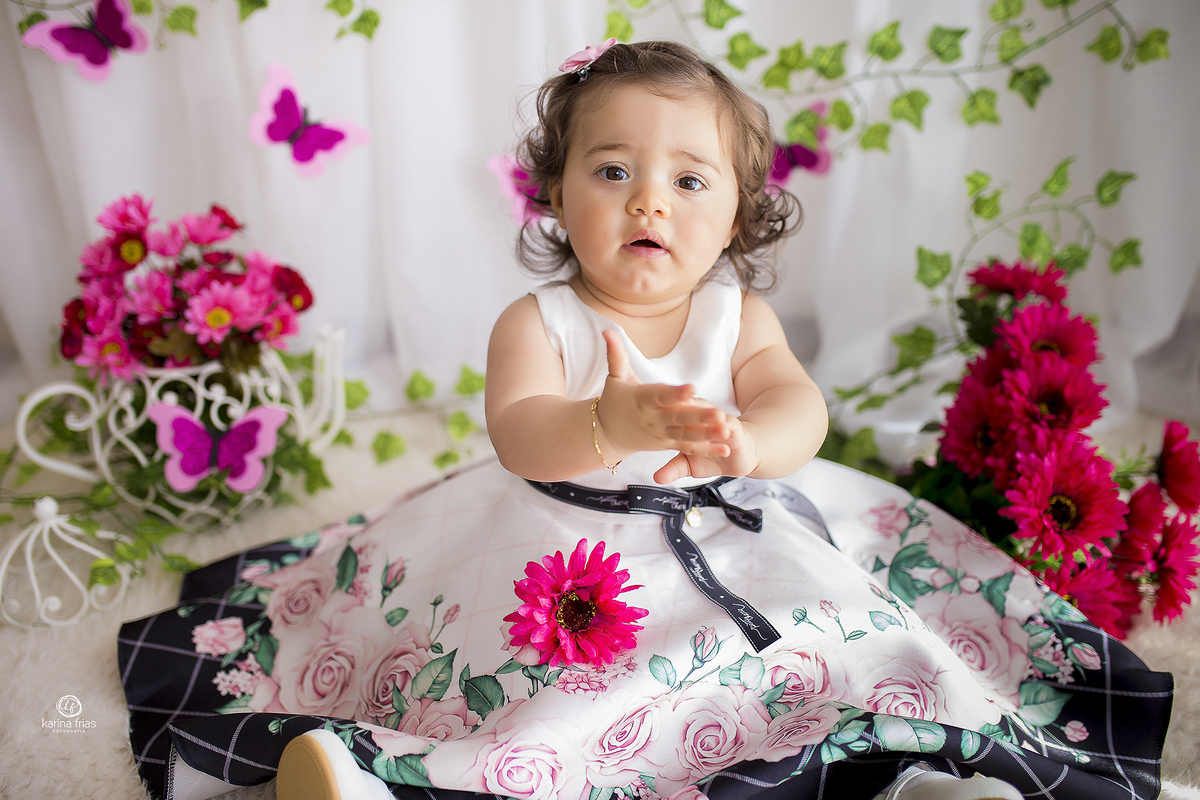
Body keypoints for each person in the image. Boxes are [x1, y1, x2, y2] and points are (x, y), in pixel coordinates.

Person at [118, 40, 1172, 800]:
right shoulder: (538, 319)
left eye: (686, 179)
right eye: (611, 171)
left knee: (839, 641)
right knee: (535, 686)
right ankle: (372, 773)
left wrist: (758, 441)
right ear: (558, 193)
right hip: (558, 545)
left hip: (735, 519)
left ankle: (929, 769)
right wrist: (603, 419)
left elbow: (798, 402)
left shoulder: (738, 312)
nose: (646, 202)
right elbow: (520, 431)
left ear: (739, 213)